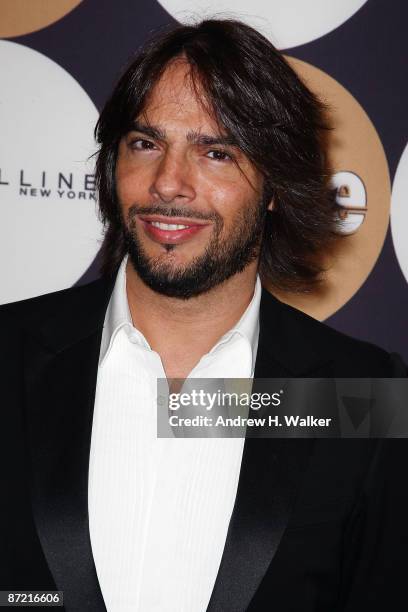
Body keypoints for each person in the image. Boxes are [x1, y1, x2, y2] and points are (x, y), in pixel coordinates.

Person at [0, 18, 407, 612]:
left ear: (274, 185)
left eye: (216, 152)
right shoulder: (8, 355)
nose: (169, 182)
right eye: (145, 143)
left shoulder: (360, 395)